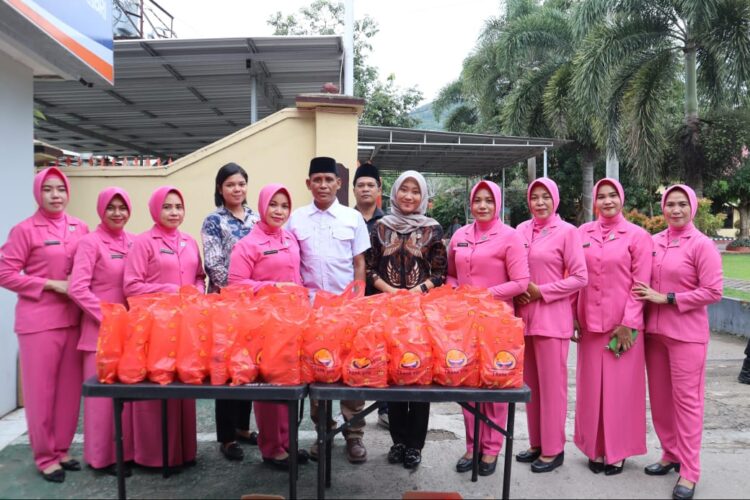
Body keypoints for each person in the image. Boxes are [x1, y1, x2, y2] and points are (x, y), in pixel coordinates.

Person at [633, 184, 723, 500]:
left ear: (692, 207)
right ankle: (670, 454)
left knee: (687, 404)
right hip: (654, 335)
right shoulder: (654, 242)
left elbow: (713, 291)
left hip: (686, 336)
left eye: (682, 204)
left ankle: (689, 471)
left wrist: (668, 298)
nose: (675, 210)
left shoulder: (702, 245)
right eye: (670, 204)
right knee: (660, 401)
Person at [0, 167, 89, 483]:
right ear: (39, 193)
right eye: (49, 189)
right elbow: (5, 272)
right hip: (38, 323)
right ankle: (44, 456)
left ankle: (62, 449)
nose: (56, 195)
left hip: (73, 321)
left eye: (61, 189)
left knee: (68, 391)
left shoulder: (81, 227)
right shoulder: (25, 230)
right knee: (41, 392)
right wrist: (51, 284)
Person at [287, 156, 371, 464]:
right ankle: (323, 434)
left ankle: (354, 436)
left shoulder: (352, 218)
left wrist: (358, 301)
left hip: (347, 307)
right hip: (310, 311)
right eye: (317, 180)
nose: (323, 185)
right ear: (308, 184)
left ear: (338, 183)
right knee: (318, 374)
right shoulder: (295, 219)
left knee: (352, 373)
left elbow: (359, 263)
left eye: (328, 180)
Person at [365, 170, 447, 470]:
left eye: (415, 191)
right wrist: (391, 292)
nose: (409, 196)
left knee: (420, 376)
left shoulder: (433, 229)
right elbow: (370, 268)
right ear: (394, 193)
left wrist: (414, 292)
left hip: (422, 312)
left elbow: (440, 274)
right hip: (387, 310)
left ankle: (415, 445)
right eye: (404, 190)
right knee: (395, 375)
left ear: (423, 196)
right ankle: (398, 441)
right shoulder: (380, 227)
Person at [446, 180, 529, 476]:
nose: (482, 206)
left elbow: (520, 282)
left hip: (498, 321)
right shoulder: (459, 235)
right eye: (477, 200)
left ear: (497, 204)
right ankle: (472, 445)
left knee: (495, 383)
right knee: (467, 383)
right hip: (465, 321)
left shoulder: (510, 237)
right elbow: (452, 276)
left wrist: (483, 294)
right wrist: (455, 293)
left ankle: (492, 449)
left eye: (488, 201)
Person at [573, 178, 652, 476]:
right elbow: (575, 276)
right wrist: (573, 316)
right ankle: (593, 447)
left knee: (620, 392)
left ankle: (617, 451)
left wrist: (628, 323)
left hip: (623, 327)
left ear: (622, 199)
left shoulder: (637, 236)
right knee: (591, 390)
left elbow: (640, 284)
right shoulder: (582, 233)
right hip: (590, 325)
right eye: (601, 196)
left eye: (612, 196)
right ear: (594, 201)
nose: (607, 201)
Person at [123, 186, 205, 468]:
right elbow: (131, 286)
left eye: (178, 207)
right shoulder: (143, 242)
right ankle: (154, 456)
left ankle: (184, 452)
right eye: (167, 207)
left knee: (182, 388)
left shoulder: (189, 241)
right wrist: (171, 290)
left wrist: (194, 292)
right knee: (157, 390)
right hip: (155, 329)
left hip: (184, 327)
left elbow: (198, 277)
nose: (174, 212)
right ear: (155, 210)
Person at [228, 183, 308, 470]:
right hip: (262, 328)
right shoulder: (247, 244)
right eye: (273, 204)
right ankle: (272, 448)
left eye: (284, 205)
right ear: (262, 206)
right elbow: (235, 286)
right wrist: (273, 287)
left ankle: (287, 442)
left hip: (291, 326)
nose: (279, 210)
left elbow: (296, 279)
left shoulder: (290, 238)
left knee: (289, 386)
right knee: (268, 389)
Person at [514, 177, 587, 473]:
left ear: (555, 200)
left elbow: (580, 277)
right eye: (534, 197)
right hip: (522, 320)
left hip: (552, 319)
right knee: (530, 386)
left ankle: (554, 449)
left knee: (552, 388)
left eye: (545, 197)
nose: (540, 202)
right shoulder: (519, 230)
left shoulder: (567, 232)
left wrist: (542, 291)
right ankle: (536, 442)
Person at [68, 188, 136, 476]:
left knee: (127, 398)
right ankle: (101, 458)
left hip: (129, 331)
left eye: (122, 207)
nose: (117, 213)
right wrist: (108, 316)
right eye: (111, 208)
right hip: (99, 331)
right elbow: (77, 288)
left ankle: (126, 453)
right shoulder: (90, 243)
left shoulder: (134, 242)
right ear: (101, 210)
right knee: (101, 403)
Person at [200, 162, 260, 461]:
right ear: (220, 189)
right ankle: (226, 436)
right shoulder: (213, 220)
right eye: (230, 185)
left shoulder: (256, 219)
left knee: (247, 365)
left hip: (252, 305)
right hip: (224, 303)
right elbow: (213, 262)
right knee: (225, 368)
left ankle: (242, 427)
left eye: (241, 184)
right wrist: (240, 286)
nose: (237, 189)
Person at [351, 161, 389, 429]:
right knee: (357, 353)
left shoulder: (388, 223)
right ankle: (355, 415)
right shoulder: (345, 218)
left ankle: (385, 408)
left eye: (370, 185)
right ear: (353, 189)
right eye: (360, 185)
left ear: (379, 189)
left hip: (383, 296)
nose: (365, 189)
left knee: (384, 351)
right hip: (353, 297)